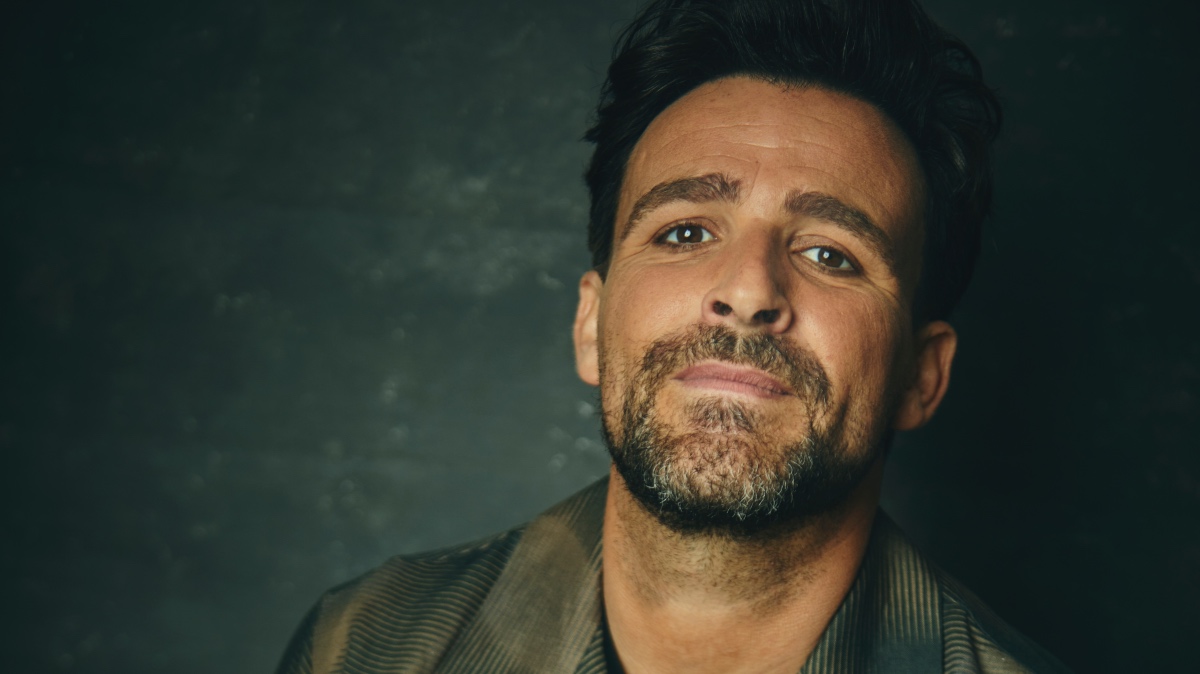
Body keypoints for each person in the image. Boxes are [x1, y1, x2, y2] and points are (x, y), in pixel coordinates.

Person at [276, 0, 1071, 672]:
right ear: (591, 325)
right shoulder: (361, 647)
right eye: (686, 232)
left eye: (831, 254)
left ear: (921, 376)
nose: (747, 291)